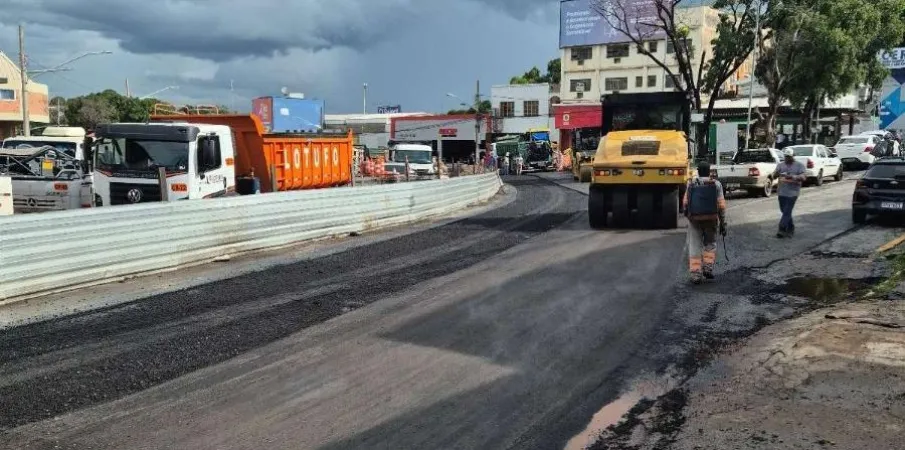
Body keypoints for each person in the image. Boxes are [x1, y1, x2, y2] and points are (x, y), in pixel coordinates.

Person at [683, 162, 727, 284]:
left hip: (695, 220)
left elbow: (685, 203)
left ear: (698, 171)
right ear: (709, 171)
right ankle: (707, 269)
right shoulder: (716, 184)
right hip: (711, 219)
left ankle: (696, 275)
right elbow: (721, 206)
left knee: (695, 246)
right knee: (710, 244)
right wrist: (723, 222)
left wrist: (689, 216)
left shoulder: (691, 183)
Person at [772, 148, 807, 238]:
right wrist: (776, 174)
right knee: (784, 211)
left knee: (787, 210)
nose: (787, 158)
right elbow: (774, 176)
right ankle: (791, 227)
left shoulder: (799, 165)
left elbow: (803, 177)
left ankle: (782, 229)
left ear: (793, 156)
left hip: (793, 193)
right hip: (782, 192)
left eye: (789, 157)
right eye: (786, 157)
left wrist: (792, 177)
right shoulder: (780, 165)